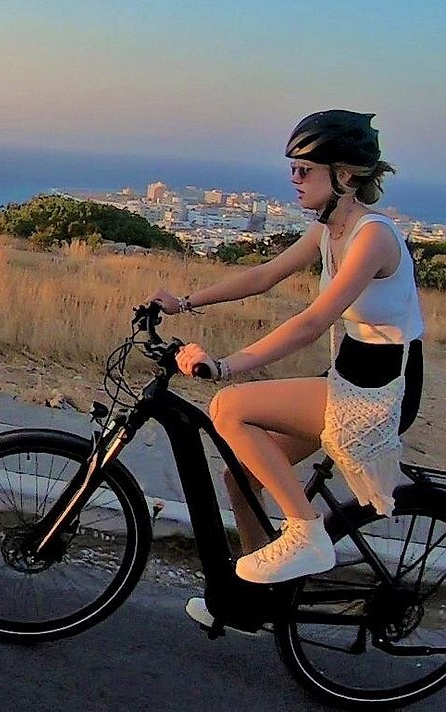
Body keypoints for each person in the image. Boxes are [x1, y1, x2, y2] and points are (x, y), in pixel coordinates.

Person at [149, 110, 424, 612]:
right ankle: (248, 598)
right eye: (291, 169)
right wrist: (185, 302)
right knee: (241, 476)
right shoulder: (329, 231)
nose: (293, 180)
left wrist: (226, 367)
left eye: (304, 170)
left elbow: (313, 322)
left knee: (230, 407)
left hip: (381, 391)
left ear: (343, 176)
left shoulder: (373, 236)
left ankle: (306, 532)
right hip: (348, 376)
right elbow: (264, 276)